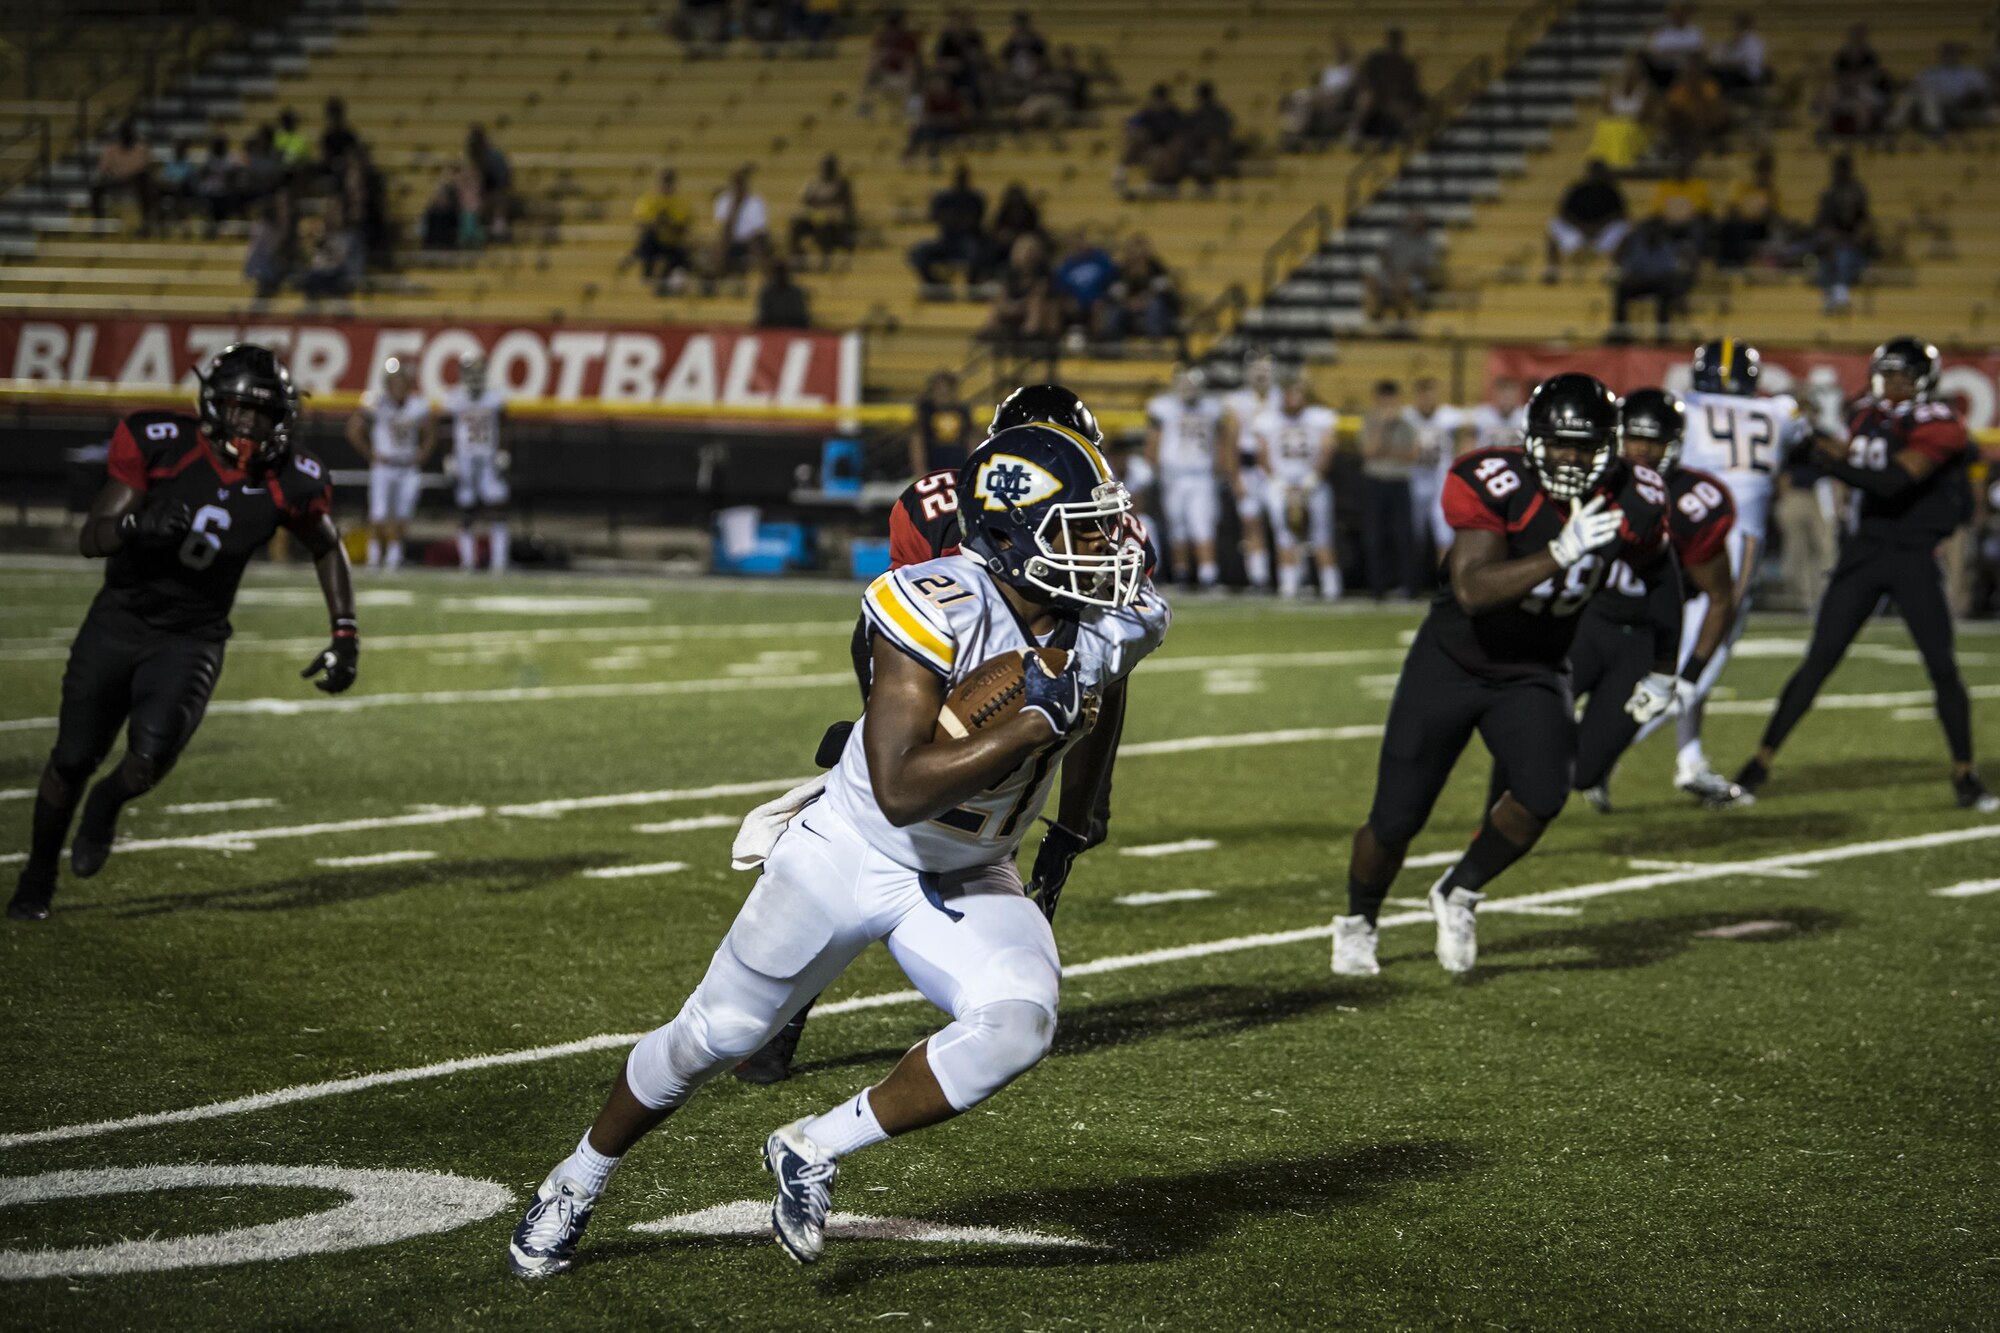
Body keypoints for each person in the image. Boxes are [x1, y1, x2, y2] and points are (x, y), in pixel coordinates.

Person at [507, 427, 1167, 1278]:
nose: (1111, 547)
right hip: (853, 846)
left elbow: (1105, 692)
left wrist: (1073, 820)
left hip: (969, 868)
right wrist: (1037, 719)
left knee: (1019, 1019)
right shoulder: (931, 602)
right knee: (717, 1032)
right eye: (1083, 529)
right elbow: (897, 784)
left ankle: (814, 1146)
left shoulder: (1116, 617)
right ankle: (578, 1176)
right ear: (1011, 534)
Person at [740, 386, 1120, 1086]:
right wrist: (1071, 815)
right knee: (878, 815)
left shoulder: (1065, 517)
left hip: (1006, 678)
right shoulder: (951, 508)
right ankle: (785, 999)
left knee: (921, 831)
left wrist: (1074, 813)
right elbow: (901, 628)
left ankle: (805, 1007)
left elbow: (1102, 670)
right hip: (942, 666)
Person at [1329, 374, 1678, 978]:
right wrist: (1558, 554)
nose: (1569, 458)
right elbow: (1471, 590)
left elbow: (1662, 574)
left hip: (1534, 669)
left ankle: (1459, 890)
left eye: (1583, 445)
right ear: (1532, 440)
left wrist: (1665, 670)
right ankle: (1359, 920)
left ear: (1610, 446)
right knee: (1395, 820)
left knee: (1544, 794)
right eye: (1558, 443)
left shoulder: (1637, 494)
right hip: (1453, 662)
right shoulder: (1493, 479)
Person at [7, 346, 355, 922]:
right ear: (215, 405)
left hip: (193, 636)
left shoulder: (291, 478)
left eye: (263, 413)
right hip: (120, 619)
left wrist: (346, 632)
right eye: (241, 409)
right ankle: (37, 877)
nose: (250, 424)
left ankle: (108, 801)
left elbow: (325, 544)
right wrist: (135, 524)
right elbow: (90, 538)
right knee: (70, 758)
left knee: (149, 760)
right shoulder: (161, 442)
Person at [1737, 339, 1997, 813]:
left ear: (1925, 380)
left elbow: (1893, 481)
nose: (1895, 385)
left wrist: (1829, 461)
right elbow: (1852, 454)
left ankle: (1965, 773)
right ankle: (1758, 762)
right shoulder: (1866, 414)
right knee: (1819, 660)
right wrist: (1807, 433)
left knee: (1941, 666)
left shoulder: (1942, 422)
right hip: (1866, 552)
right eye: (1888, 374)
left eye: (1905, 376)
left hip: (1914, 555)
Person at [1647, 339, 1814, 804]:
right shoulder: (1780, 411)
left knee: (1684, 647)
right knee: (1705, 654)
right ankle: (1597, 751)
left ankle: (1690, 759)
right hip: (1735, 538)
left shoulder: (1688, 406)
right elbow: (1804, 438)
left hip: (1682, 530)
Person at [1565, 389, 1739, 813]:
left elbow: (1719, 597)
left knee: (1584, 771)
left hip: (1643, 641)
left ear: (1674, 444)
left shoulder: (1694, 500)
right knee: (1524, 721)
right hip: (1585, 623)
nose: (1641, 451)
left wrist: (1691, 673)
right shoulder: (1592, 479)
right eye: (1633, 439)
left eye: (1653, 441)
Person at [1251, 377, 1340, 600]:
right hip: (1280, 484)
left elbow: (1328, 448)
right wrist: (1279, 482)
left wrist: (1313, 478)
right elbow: (1261, 454)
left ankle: (1331, 586)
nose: (1292, 399)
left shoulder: (1320, 417)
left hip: (1313, 483)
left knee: (1321, 534)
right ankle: (1289, 584)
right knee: (1284, 533)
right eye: (1289, 393)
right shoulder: (1267, 420)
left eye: (1297, 393)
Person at [1145, 364, 1230, 590]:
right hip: (1173, 474)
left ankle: (1208, 575)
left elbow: (1222, 441)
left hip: (1201, 475)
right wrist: (1153, 467)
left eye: (1192, 383)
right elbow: (1154, 440)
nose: (1188, 388)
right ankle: (1182, 574)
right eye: (1184, 383)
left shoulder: (1213, 407)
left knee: (1201, 524)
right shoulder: (1164, 406)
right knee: (1177, 526)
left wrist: (1222, 469)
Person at [347, 358, 434, 570]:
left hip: (407, 466)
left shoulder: (417, 404)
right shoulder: (377, 402)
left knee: (403, 514)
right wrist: (369, 453)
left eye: (403, 382)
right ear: (388, 384)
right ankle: (374, 554)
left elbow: (430, 431)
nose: (399, 387)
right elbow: (353, 428)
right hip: (384, 465)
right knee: (379, 513)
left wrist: (422, 453)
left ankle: (394, 555)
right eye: (395, 382)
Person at [443, 354, 510, 573]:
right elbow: (446, 430)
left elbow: (505, 426)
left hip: (488, 457)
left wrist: (503, 451)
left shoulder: (494, 398)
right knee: (466, 510)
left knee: (497, 507)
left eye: (477, 371)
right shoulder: (455, 398)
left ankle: (499, 561)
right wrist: (449, 456)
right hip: (465, 458)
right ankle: (468, 560)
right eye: (470, 372)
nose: (474, 377)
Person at [1356, 380, 1421, 600]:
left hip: (1399, 482)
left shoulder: (1406, 423)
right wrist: (1383, 427)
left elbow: (1412, 455)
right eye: (1384, 398)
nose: (1387, 403)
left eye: (1391, 398)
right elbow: (1369, 451)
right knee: (1375, 536)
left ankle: (1409, 586)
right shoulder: (1370, 421)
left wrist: (1386, 451)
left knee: (1403, 536)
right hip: (1375, 482)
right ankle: (1377, 588)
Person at [1224, 355, 1282, 590]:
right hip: (1248, 467)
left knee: (1285, 524)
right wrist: (1235, 474)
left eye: (1265, 369)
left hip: (1278, 469)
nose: (1261, 375)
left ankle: (1291, 578)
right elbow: (1231, 439)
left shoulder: (1281, 397)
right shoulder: (1237, 401)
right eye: (1257, 370)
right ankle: (1259, 577)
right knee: (1252, 523)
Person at [1544, 159, 1629, 284]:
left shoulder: (1611, 191)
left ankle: (1615, 270)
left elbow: (1620, 216)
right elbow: (1563, 214)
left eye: (1600, 172)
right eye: (1594, 172)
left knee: (1624, 228)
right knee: (1553, 224)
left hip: (1603, 235)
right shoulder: (1577, 189)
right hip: (1578, 234)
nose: (1597, 175)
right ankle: (1553, 269)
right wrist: (1583, 228)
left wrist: (1598, 228)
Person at [1404, 377, 1460, 567]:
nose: (1427, 398)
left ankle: (1445, 583)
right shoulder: (1407, 416)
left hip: (1440, 478)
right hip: (1414, 477)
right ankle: (1410, 583)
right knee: (1412, 530)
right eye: (1423, 394)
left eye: (1430, 393)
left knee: (1444, 530)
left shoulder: (1449, 416)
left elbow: (1469, 429)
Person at [1774, 454, 1838, 613]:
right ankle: (1803, 600)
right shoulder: (1794, 435)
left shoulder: (1826, 434)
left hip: (1823, 490)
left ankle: (1825, 598)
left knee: (1827, 549)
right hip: (1796, 491)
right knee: (1797, 551)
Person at [1610, 217, 1690, 343]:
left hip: (1658, 285)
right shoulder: (1637, 243)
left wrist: (1648, 277)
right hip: (1641, 283)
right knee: (1621, 289)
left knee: (1666, 291)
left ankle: (1663, 336)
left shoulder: (1665, 244)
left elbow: (1668, 270)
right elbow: (1631, 267)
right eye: (1650, 230)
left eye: (1656, 230)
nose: (1653, 233)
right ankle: (1621, 333)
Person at [908, 165, 988, 289]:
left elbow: (972, 222)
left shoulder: (975, 199)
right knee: (918, 252)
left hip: (968, 242)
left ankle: (971, 288)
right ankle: (934, 283)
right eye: (959, 177)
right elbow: (933, 216)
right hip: (946, 242)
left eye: (963, 177)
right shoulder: (943, 198)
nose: (961, 180)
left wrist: (951, 218)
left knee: (976, 253)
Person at [1811, 152, 1871, 314]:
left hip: (1852, 247)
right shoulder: (1829, 194)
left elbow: (1865, 224)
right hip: (1831, 244)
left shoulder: (1858, 193)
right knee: (1824, 261)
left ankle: (1841, 290)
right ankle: (1830, 295)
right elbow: (1819, 225)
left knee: (1843, 255)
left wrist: (1855, 237)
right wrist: (1830, 238)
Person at [1899, 42, 1992, 139]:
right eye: (1947, 54)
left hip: (1959, 103)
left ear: (1959, 55)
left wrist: (1967, 99)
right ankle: (1897, 124)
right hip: (1932, 104)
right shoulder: (1931, 73)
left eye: (1953, 53)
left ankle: (1933, 126)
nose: (1950, 57)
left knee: (1927, 95)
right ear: (1941, 55)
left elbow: (1983, 94)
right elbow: (1913, 87)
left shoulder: (1971, 73)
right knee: (1916, 95)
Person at [1351, 25, 1424, 145]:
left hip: (1396, 102)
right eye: (1393, 41)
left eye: (1397, 41)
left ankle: (1406, 138)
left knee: (1407, 113)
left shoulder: (1406, 65)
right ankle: (1354, 131)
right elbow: (1365, 81)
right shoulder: (1376, 60)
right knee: (1366, 99)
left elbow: (1413, 91)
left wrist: (1411, 106)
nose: (1395, 45)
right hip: (1377, 98)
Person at [1099, 235, 1178, 343]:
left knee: (1155, 306)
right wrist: (1128, 302)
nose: (1136, 255)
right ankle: (1113, 347)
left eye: (1139, 252)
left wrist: (1143, 301)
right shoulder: (1121, 269)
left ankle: (1155, 344)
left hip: (1151, 306)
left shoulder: (1156, 267)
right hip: (1128, 306)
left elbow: (1162, 289)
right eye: (1132, 251)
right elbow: (1115, 291)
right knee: (1113, 312)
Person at [984, 234, 1059, 346]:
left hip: (1039, 309)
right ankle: (989, 332)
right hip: (1016, 307)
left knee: (1035, 303)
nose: (1028, 255)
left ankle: (1029, 334)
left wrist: (1019, 305)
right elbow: (1003, 294)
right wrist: (1010, 305)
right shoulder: (1011, 272)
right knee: (997, 305)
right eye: (1025, 251)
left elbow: (1039, 293)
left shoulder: (1043, 271)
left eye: (1031, 251)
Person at [1365, 210, 1435, 329]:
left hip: (1416, 280)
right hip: (1392, 273)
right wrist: (1390, 269)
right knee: (1371, 278)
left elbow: (1426, 268)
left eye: (1417, 220)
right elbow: (1384, 254)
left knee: (1403, 282)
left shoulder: (1426, 242)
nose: (1413, 223)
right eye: (1411, 220)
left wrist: (1404, 273)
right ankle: (1376, 312)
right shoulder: (1397, 236)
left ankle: (1401, 316)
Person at [627, 169, 694, 290]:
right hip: (653, 243)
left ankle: (667, 284)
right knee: (646, 240)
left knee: (683, 255)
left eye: (669, 181)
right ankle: (647, 272)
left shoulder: (681, 203)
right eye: (664, 181)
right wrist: (658, 223)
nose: (666, 185)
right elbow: (641, 225)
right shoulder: (647, 201)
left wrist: (668, 225)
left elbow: (683, 227)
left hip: (673, 243)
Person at [1715, 150, 1781, 270]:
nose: (1763, 174)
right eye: (1760, 171)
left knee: (1742, 228)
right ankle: (1726, 262)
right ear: (1755, 171)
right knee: (1727, 225)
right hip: (1742, 224)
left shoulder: (1772, 192)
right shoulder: (1743, 188)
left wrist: (1769, 195)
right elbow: (1731, 210)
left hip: (1761, 227)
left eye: (1766, 171)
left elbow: (1773, 216)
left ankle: (1739, 262)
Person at [788, 154, 856, 269]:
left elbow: (846, 205)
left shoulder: (842, 184)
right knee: (796, 224)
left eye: (830, 166)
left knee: (825, 224)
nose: (827, 169)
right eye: (825, 166)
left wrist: (822, 203)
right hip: (814, 219)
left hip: (834, 222)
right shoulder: (814, 183)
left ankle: (825, 261)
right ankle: (798, 260)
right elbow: (805, 200)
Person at [1589, 53, 1655, 169]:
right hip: (1618, 121)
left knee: (1624, 129)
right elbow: (1607, 110)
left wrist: (1627, 118)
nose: (1629, 76)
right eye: (1627, 73)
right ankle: (1605, 160)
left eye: (1633, 74)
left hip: (1638, 125)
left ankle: (1622, 161)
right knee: (1603, 125)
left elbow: (1645, 114)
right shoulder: (1615, 88)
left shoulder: (1645, 90)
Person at [90, 120, 156, 232]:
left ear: (133, 134)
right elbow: (103, 169)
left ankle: (145, 223)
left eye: (128, 133)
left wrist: (129, 175)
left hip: (135, 180)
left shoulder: (142, 147)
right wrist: (108, 177)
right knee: (96, 188)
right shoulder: (111, 148)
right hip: (116, 180)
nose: (126, 136)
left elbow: (144, 167)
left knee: (144, 182)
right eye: (123, 133)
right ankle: (99, 223)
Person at [1052, 228, 1116, 342]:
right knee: (1056, 307)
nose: (1078, 246)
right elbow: (1060, 289)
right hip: (1074, 303)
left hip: (1098, 301)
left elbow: (1112, 281)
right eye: (1074, 243)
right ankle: (1053, 343)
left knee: (1099, 307)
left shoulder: (1100, 260)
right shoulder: (1066, 266)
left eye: (1081, 241)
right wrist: (1067, 299)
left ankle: (1098, 345)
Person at [908, 371, 975, 477]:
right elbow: (917, 441)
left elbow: (970, 440)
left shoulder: (962, 412)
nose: (943, 394)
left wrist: (972, 468)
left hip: (958, 467)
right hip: (933, 468)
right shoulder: (926, 412)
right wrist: (920, 469)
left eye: (947, 391)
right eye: (939, 390)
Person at [1661, 54, 1730, 158]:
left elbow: (1716, 111)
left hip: (1709, 128)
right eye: (1689, 67)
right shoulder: (1679, 88)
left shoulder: (1709, 86)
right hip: (1684, 129)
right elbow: (1672, 109)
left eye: (1695, 67)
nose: (1692, 71)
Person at [1120, 84, 1185, 193]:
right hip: (1148, 147)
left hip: (1167, 149)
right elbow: (1130, 126)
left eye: (1161, 100)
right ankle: (1121, 170)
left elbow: (1181, 133)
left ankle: (1153, 184)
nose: (1158, 103)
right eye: (1157, 100)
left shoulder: (1173, 114)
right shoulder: (1146, 113)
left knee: (1160, 154)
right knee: (1141, 139)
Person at [710, 165, 770, 281]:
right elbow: (724, 226)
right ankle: (717, 277)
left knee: (758, 241)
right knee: (722, 239)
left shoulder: (756, 201)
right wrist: (735, 207)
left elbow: (759, 228)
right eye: (737, 184)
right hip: (730, 240)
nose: (739, 187)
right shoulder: (723, 200)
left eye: (742, 183)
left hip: (750, 241)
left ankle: (765, 277)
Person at [298, 198, 364, 301]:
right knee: (307, 278)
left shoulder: (348, 235)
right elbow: (312, 258)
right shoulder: (321, 231)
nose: (332, 216)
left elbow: (341, 259)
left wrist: (327, 245)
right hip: (318, 272)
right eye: (329, 212)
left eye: (336, 212)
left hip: (336, 274)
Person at [864, 8, 923, 112]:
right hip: (886, 76)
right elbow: (873, 59)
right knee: (872, 65)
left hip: (904, 76)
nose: (892, 30)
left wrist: (900, 56)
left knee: (910, 66)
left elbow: (916, 62)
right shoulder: (882, 38)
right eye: (891, 26)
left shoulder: (909, 39)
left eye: (895, 26)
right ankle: (865, 103)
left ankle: (910, 106)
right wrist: (882, 57)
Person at [1182, 82, 1237, 190]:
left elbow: (1226, 133)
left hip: (1218, 152)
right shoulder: (1195, 115)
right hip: (1198, 152)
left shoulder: (1219, 114)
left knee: (1214, 143)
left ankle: (1212, 171)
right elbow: (1188, 135)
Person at [466, 125, 513, 241]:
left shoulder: (494, 157)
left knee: (498, 199)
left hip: (495, 191)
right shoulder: (475, 159)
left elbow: (502, 180)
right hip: (482, 194)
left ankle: (497, 225)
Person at [1644, 3, 1706, 88]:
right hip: (1665, 72)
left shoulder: (1695, 32)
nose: (1678, 16)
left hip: (1690, 71)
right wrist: (1683, 53)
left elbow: (1701, 53)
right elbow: (1654, 54)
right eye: (1675, 14)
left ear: (1686, 14)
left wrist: (1671, 53)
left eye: (1680, 13)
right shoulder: (1662, 32)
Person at [1710, 13, 1767, 101]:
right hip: (1732, 71)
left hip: (1747, 76)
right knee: (1711, 73)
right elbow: (1720, 56)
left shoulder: (1754, 41)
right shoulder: (1734, 40)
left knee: (1726, 77)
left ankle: (1725, 101)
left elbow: (1747, 62)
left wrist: (1727, 64)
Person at [755, 258, 812, 328]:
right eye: (777, 273)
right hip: (772, 330)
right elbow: (763, 317)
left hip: (793, 329)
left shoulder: (796, 292)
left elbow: (801, 317)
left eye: (782, 272)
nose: (780, 276)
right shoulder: (766, 293)